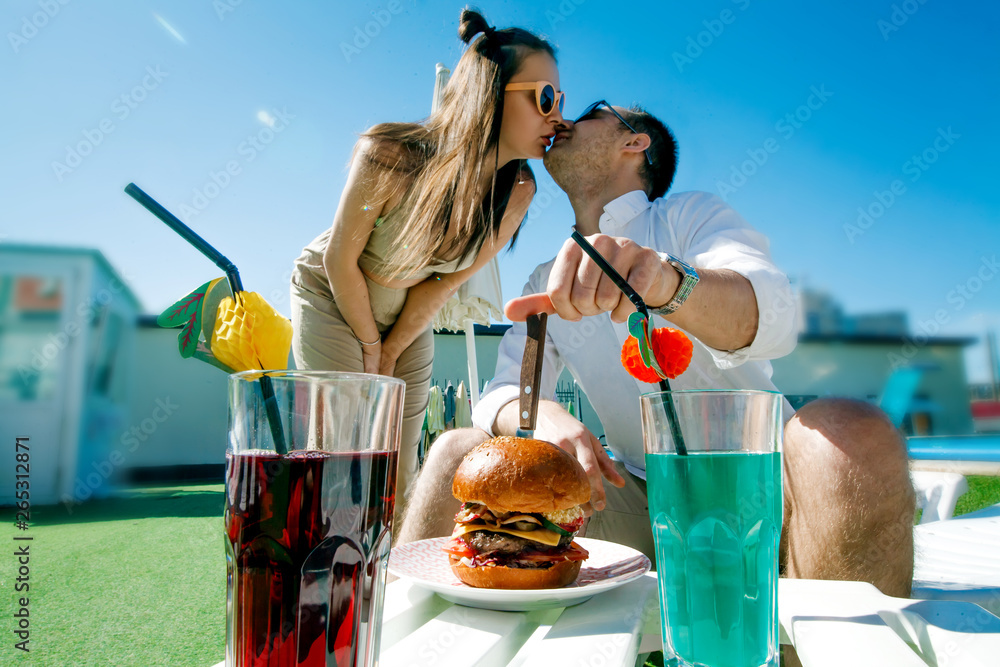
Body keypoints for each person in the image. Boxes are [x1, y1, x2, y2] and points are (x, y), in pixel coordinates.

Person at [397, 101, 916, 603]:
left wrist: (664, 280)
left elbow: (774, 315)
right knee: (455, 451)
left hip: (768, 490)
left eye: (590, 111)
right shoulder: (544, 279)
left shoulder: (689, 217)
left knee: (851, 429)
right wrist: (543, 416)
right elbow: (504, 389)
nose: (564, 119)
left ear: (634, 141)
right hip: (636, 500)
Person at [290, 9, 565, 522]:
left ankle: (392, 588)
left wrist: (390, 347)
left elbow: (445, 283)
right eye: (545, 97)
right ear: (492, 90)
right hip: (331, 292)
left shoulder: (519, 191)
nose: (558, 117)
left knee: (398, 462)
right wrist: (371, 346)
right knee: (341, 452)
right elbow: (339, 259)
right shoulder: (390, 152)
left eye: (560, 101)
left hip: (405, 317)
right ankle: (325, 587)